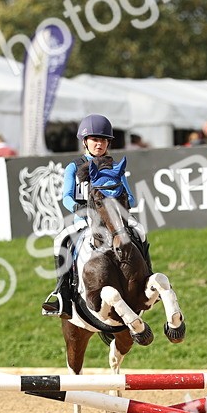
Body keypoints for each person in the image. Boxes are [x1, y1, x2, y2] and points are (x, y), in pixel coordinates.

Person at [41, 114, 140, 317]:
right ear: (85, 142)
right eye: (95, 140)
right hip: (85, 222)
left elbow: (130, 197)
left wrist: (122, 203)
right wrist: (81, 210)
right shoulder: (73, 167)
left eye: (103, 140)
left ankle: (145, 274)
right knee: (60, 240)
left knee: (140, 232)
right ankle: (62, 294)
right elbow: (67, 197)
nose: (99, 144)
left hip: (114, 223)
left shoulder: (114, 168)